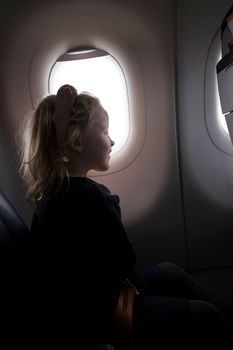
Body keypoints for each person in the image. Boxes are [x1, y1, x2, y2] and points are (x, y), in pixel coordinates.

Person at [18, 84, 233, 349]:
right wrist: (111, 206)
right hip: (101, 316)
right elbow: (124, 261)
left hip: (89, 301)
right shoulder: (92, 198)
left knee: (168, 272)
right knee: (207, 317)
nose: (113, 141)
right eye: (106, 132)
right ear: (76, 142)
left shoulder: (52, 196)